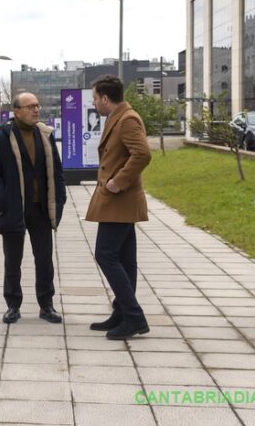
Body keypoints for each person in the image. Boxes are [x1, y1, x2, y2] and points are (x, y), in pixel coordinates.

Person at [0, 93, 66, 324]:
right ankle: (13, 304)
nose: (36, 110)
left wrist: (60, 198)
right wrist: (4, 200)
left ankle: (46, 305)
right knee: (13, 260)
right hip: (14, 209)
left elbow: (57, 171)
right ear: (16, 111)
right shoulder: (0, 138)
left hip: (40, 209)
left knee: (44, 259)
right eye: (30, 106)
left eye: (37, 105)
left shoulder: (45, 135)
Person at [85, 75, 152, 340]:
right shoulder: (119, 117)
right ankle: (122, 312)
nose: (94, 103)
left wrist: (117, 182)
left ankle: (134, 317)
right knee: (125, 259)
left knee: (106, 255)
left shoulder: (127, 119)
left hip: (120, 200)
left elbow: (143, 154)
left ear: (104, 98)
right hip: (118, 202)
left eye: (95, 98)